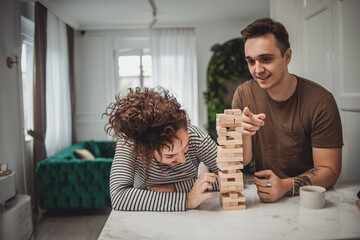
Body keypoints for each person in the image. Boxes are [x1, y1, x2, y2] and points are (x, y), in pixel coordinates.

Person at [232, 18, 343, 203]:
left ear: (287, 56)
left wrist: (286, 186)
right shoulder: (244, 94)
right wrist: (244, 133)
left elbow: (330, 170)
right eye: (251, 61)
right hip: (264, 197)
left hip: (310, 198)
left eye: (266, 59)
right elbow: (241, 161)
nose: (257, 70)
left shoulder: (321, 101)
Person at [103, 87, 219, 211]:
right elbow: (119, 197)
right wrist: (187, 200)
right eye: (170, 156)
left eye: (186, 148)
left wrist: (177, 188)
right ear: (146, 149)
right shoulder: (130, 145)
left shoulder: (195, 137)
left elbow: (234, 177)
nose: (183, 159)